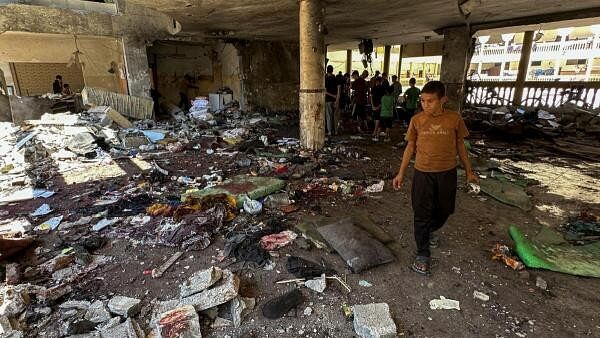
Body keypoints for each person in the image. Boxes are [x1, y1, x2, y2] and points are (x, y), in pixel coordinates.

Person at [392, 81, 479, 275]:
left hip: (447, 172)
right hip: (422, 173)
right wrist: (401, 173)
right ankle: (423, 253)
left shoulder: (454, 119)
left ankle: (429, 230)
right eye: (423, 101)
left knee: (446, 209)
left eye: (430, 101)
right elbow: (410, 147)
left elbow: (460, 146)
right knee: (421, 212)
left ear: (443, 100)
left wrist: (469, 171)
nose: (425, 104)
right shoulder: (417, 120)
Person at [325, 65, 340, 136]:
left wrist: (330, 95)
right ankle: (336, 131)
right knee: (336, 116)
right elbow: (339, 90)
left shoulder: (325, 79)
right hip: (336, 100)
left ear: (327, 70)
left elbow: (325, 91)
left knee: (329, 116)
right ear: (332, 70)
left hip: (328, 100)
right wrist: (337, 99)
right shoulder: (336, 79)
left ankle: (330, 131)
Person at [370, 77, 385, 141]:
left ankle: (375, 132)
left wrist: (372, 105)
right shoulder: (382, 89)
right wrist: (380, 106)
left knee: (375, 119)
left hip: (374, 105)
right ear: (380, 81)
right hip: (380, 105)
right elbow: (383, 99)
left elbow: (371, 97)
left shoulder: (373, 88)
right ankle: (376, 133)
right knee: (378, 119)